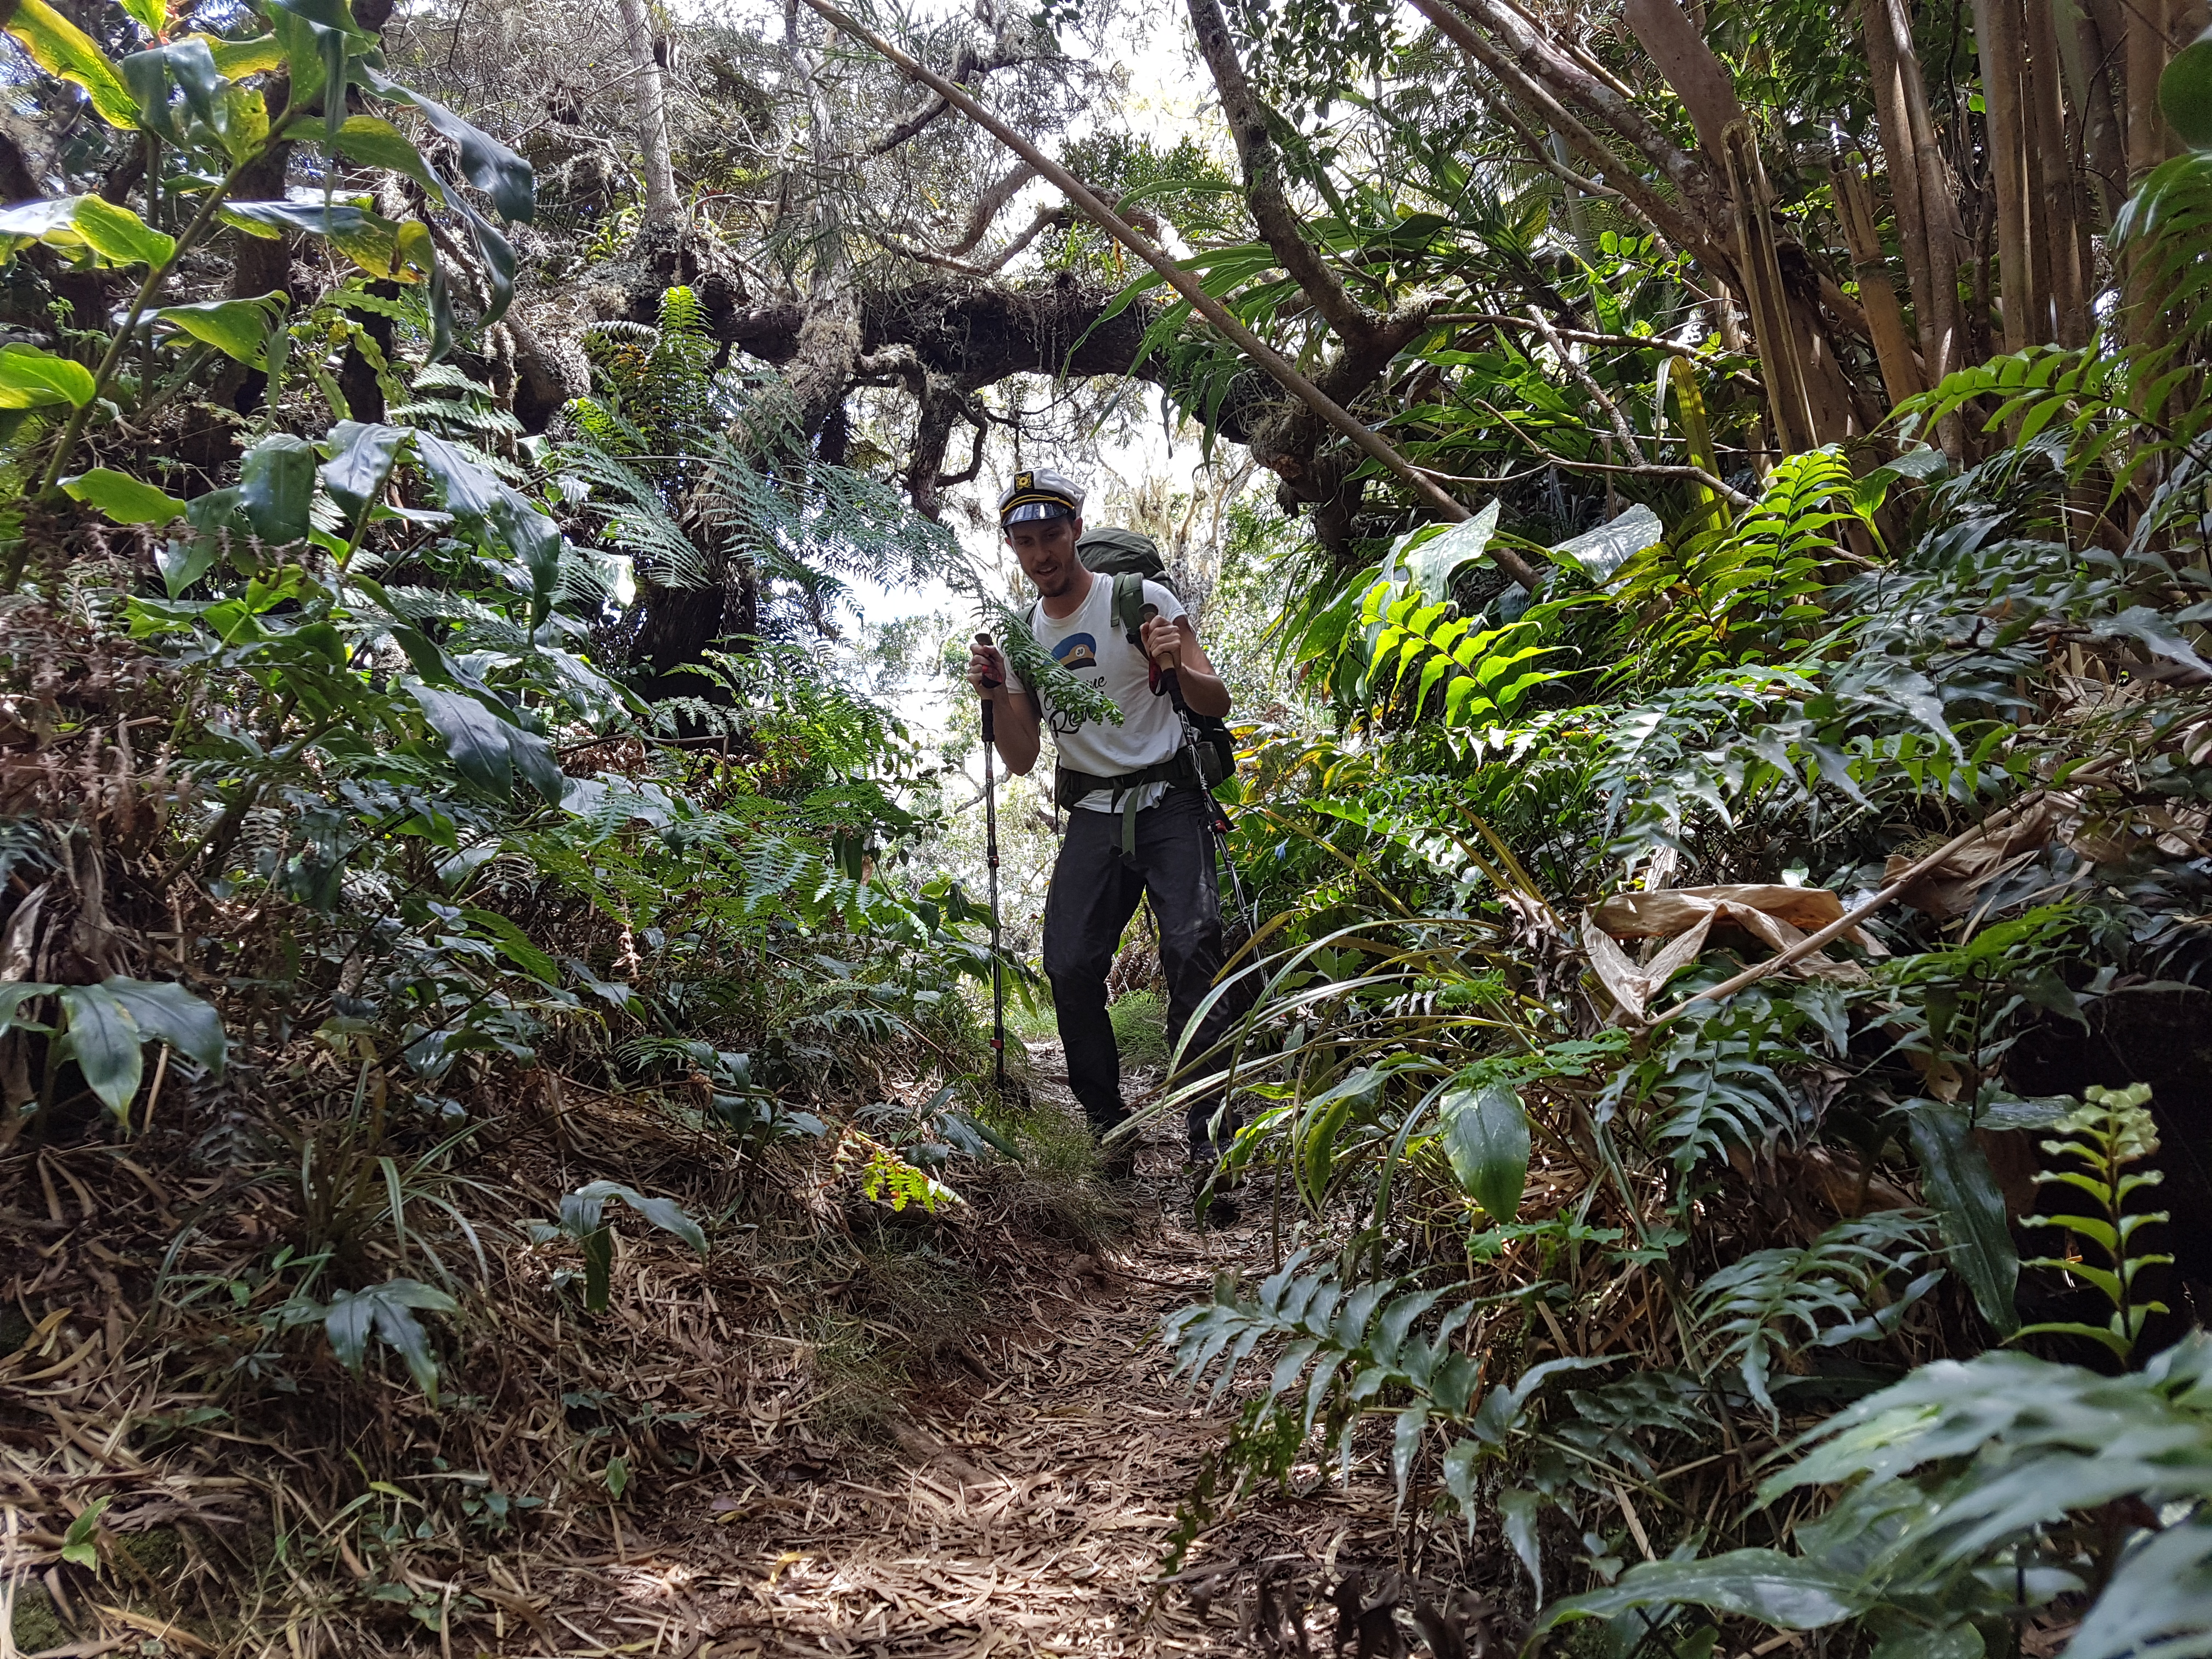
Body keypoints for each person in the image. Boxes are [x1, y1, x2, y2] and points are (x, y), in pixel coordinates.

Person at [964, 468, 1242, 1193]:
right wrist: (995, 697)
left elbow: (1217, 698)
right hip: (1092, 816)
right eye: (1024, 542)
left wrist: (1176, 663)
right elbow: (1023, 759)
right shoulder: (1025, 639)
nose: (1041, 555)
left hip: (1171, 802)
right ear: (1012, 547)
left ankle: (1209, 1139)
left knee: (1191, 952)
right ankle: (1105, 1121)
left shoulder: (1141, 600)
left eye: (1051, 536)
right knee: (1069, 964)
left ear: (1076, 529)